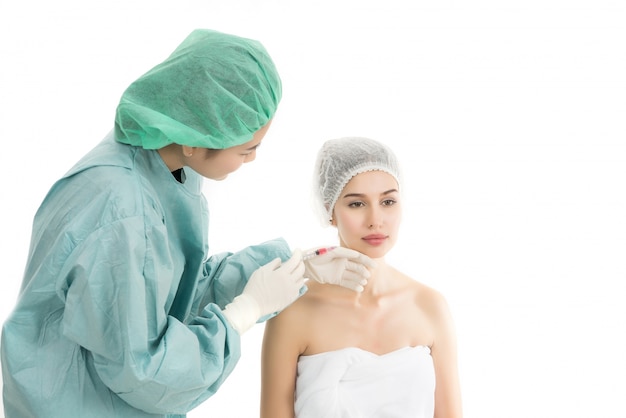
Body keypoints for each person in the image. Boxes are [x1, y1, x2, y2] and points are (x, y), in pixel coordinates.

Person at [0, 30, 373, 418]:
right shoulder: (120, 210)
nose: (251, 160)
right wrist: (242, 313)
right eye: (247, 149)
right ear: (194, 137)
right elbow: (143, 373)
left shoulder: (166, 163)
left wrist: (296, 266)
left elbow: (172, 290)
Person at [260, 137, 463, 418]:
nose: (376, 219)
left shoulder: (429, 306)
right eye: (356, 204)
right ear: (330, 211)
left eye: (388, 201)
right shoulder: (294, 311)